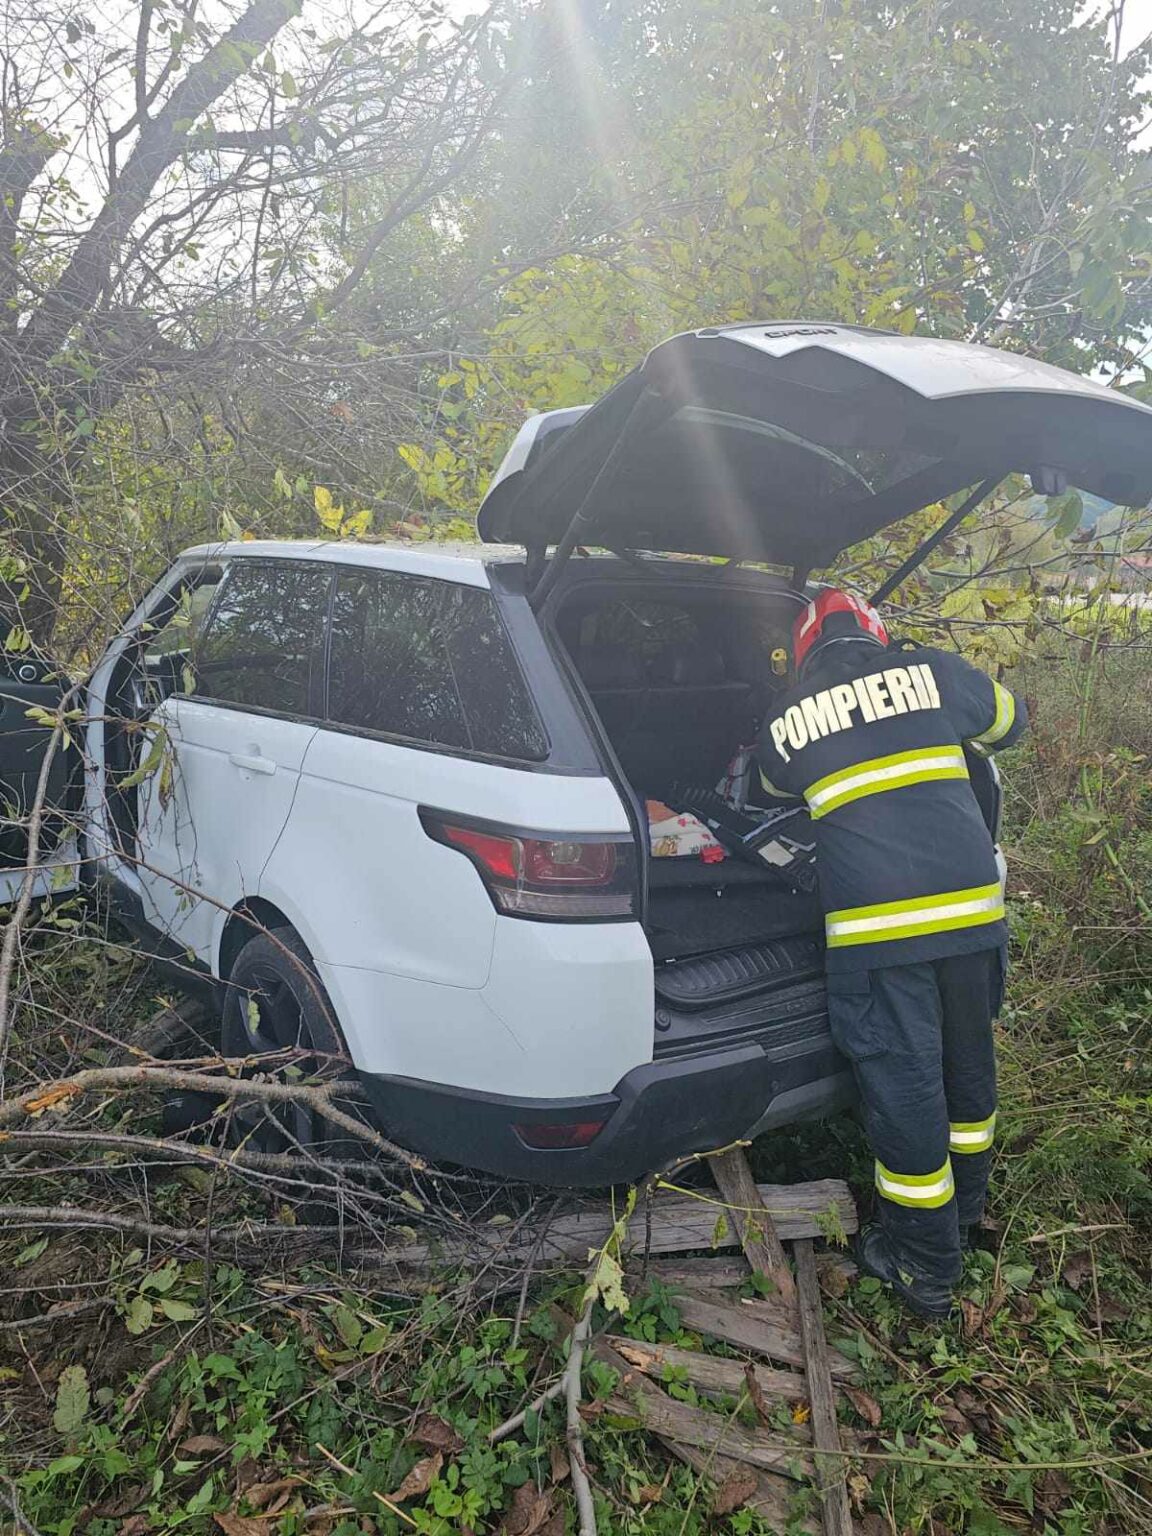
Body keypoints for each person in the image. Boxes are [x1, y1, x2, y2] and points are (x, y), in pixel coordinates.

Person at [757, 588, 1028, 1317]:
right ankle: (964, 1218)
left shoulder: (790, 720)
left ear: (805, 652)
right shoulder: (935, 674)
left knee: (905, 1087)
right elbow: (1012, 723)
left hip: (883, 934)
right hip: (973, 917)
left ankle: (922, 1263)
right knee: (968, 1068)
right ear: (877, 635)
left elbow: (763, 788)